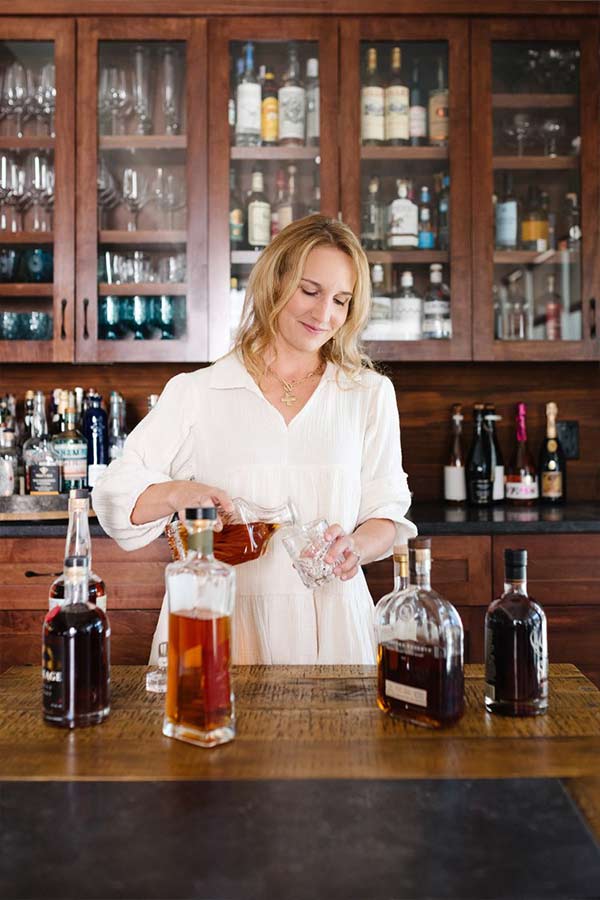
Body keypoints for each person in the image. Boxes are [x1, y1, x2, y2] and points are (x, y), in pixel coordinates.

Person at [92, 215, 417, 665]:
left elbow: (388, 512)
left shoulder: (367, 395)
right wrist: (179, 494)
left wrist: (357, 547)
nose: (325, 315)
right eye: (310, 291)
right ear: (274, 283)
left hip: (334, 625)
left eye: (341, 300)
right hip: (220, 619)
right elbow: (113, 497)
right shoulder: (197, 392)